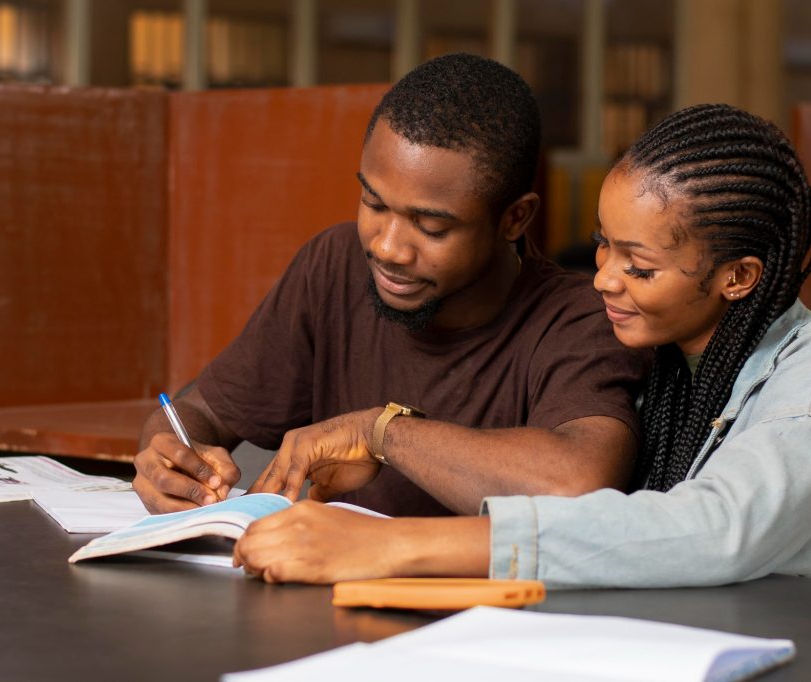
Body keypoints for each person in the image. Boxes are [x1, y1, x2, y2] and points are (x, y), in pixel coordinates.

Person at [232, 103, 811, 594]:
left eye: (639, 266)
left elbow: (713, 530)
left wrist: (394, 546)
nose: (602, 277)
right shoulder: (665, 357)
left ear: (738, 277)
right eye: (603, 243)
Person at [132, 53, 649, 518]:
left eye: (432, 227)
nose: (387, 248)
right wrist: (170, 456)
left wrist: (379, 432)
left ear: (514, 219)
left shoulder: (581, 318)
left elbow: (577, 486)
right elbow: (200, 410)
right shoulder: (334, 265)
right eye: (374, 204)